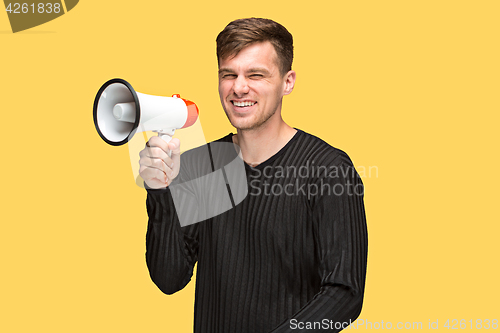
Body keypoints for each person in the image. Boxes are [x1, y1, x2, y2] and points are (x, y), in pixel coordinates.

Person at [139, 18, 368, 332]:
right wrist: (160, 192)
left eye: (256, 75)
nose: (239, 87)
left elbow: (345, 294)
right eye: (228, 74)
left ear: (288, 82)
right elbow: (169, 279)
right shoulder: (204, 164)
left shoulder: (326, 169)